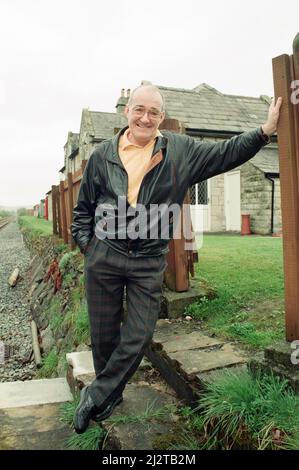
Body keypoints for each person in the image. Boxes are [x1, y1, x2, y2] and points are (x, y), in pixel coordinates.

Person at [71, 84, 282, 434]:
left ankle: (95, 395)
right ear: (127, 111)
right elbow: (83, 209)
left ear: (161, 117)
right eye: (139, 109)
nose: (146, 117)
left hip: (147, 259)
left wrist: (264, 132)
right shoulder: (102, 155)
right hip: (104, 255)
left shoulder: (180, 151)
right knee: (104, 334)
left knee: (138, 333)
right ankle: (111, 396)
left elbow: (225, 153)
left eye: (154, 112)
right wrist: (88, 246)